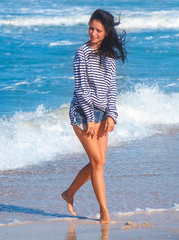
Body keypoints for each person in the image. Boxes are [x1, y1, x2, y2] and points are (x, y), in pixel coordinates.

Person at [62, 9, 127, 224]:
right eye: (91, 28)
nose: (93, 33)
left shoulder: (108, 55)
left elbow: (111, 87)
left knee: (98, 163)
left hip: (102, 114)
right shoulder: (82, 53)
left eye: (98, 30)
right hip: (82, 114)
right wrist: (90, 118)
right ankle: (104, 212)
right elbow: (81, 89)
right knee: (97, 162)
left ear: (106, 32)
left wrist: (112, 115)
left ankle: (69, 193)